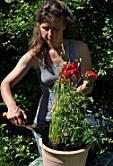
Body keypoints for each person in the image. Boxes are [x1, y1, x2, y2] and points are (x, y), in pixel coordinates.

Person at [1, 0, 93, 156]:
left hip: (75, 119)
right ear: (39, 26)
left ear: (65, 25)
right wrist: (12, 107)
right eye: (45, 28)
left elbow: (88, 84)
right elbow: (5, 83)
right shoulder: (35, 55)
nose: (50, 35)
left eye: (56, 29)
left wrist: (68, 98)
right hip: (46, 121)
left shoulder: (79, 48)